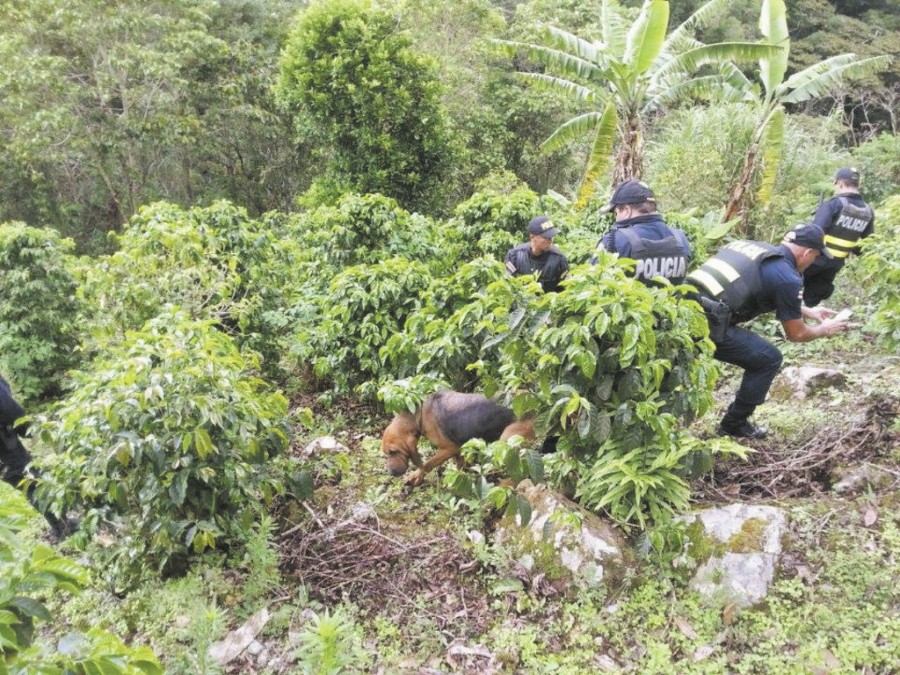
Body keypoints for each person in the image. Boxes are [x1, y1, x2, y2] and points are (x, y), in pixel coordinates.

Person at [686, 223, 850, 439]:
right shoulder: (787, 277)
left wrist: (805, 310)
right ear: (808, 252)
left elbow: (753, 285)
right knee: (768, 358)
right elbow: (797, 334)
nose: (813, 262)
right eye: (816, 256)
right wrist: (824, 329)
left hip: (682, 306)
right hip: (705, 322)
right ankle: (734, 424)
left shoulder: (752, 248)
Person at [0, 375, 66, 538]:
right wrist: (28, 430)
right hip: (5, 448)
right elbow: (10, 410)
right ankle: (62, 528)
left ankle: (60, 525)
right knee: (31, 483)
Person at [592, 179, 692, 284]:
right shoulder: (680, 238)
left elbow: (593, 281)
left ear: (626, 211)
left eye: (616, 213)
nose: (616, 218)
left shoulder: (614, 241)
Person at [803, 167, 874, 307]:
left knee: (790, 290)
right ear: (857, 185)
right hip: (835, 264)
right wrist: (849, 246)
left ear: (840, 184)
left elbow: (814, 233)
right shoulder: (867, 211)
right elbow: (868, 244)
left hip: (814, 259)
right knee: (811, 300)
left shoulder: (833, 205)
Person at [505, 216, 570, 293]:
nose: (550, 241)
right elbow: (507, 284)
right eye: (546, 237)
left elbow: (566, 290)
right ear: (532, 237)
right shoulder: (515, 256)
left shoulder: (559, 259)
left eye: (551, 237)